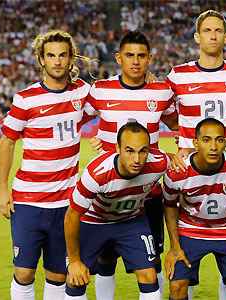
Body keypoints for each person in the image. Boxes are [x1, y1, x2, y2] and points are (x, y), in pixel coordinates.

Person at [0, 30, 90, 300]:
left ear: (71, 58)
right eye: (51, 56)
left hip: (66, 203)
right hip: (28, 201)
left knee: (58, 273)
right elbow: (7, 142)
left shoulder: (82, 92)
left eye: (63, 55)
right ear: (41, 59)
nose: (57, 61)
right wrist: (2, 190)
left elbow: (110, 103)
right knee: (24, 272)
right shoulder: (26, 98)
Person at [84, 30, 178, 299]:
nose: (135, 61)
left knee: (152, 259)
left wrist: (176, 153)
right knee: (105, 261)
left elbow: (179, 123)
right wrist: (94, 138)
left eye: (141, 56)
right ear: (118, 58)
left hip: (148, 191)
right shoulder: (100, 90)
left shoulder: (161, 92)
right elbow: (74, 116)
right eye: (129, 56)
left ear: (149, 59)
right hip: (106, 192)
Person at [63, 122, 179, 300]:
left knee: (149, 274)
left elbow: (171, 159)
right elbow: (72, 216)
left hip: (131, 221)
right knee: (76, 278)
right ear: (117, 148)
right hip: (94, 222)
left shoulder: (158, 162)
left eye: (143, 151)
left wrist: (176, 157)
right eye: (130, 150)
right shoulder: (97, 174)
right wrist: (74, 261)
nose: (137, 159)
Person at [162, 118, 226, 300]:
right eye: (206, 140)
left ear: (225, 142)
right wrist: (175, 246)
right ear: (195, 143)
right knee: (177, 286)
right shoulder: (177, 172)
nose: (213, 146)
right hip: (190, 230)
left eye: (219, 140)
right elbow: (169, 205)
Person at [167, 10, 226, 159]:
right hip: (191, 160)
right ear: (197, 37)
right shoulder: (178, 75)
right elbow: (160, 107)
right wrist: (184, 132)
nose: (213, 36)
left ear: (225, 38)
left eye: (218, 31)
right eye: (207, 31)